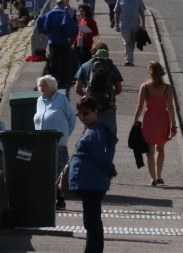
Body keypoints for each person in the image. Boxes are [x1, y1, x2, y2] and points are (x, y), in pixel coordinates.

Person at [70, 96, 117, 253]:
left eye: (86, 113)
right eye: (79, 114)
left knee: (91, 222)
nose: (82, 116)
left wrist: (111, 170)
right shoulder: (94, 130)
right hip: (91, 182)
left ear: (95, 112)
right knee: (94, 221)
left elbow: (101, 156)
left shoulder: (94, 132)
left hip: (92, 183)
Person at [34, 75, 76, 210]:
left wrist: (64, 135)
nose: (41, 88)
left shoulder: (61, 99)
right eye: (40, 85)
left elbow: (71, 119)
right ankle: (47, 198)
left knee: (59, 171)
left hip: (58, 142)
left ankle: (61, 199)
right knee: (44, 171)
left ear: (51, 86)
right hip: (42, 142)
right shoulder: (39, 100)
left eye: (43, 85)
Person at [133, 61, 176, 186]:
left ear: (149, 73)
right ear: (162, 73)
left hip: (149, 121)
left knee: (150, 151)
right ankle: (159, 176)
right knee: (160, 149)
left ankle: (152, 178)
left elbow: (140, 106)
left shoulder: (145, 87)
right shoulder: (167, 88)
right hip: (163, 120)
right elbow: (171, 107)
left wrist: (135, 121)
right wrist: (173, 124)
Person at [74, 43, 124, 136]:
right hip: (108, 104)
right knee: (110, 133)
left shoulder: (85, 66)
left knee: (90, 131)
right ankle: (109, 149)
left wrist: (86, 96)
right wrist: (110, 94)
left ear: (93, 52)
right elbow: (119, 89)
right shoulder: (111, 66)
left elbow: (77, 88)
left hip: (91, 105)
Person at [39, 0, 78, 89]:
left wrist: (45, 32)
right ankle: (64, 81)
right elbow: (70, 26)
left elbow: (40, 21)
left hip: (52, 41)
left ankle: (53, 79)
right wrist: (69, 34)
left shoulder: (50, 13)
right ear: (63, 4)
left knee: (53, 61)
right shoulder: (63, 14)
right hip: (62, 41)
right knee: (64, 61)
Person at [113, 0, 146, 66]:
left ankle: (130, 59)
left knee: (132, 42)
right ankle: (128, 60)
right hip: (124, 25)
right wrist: (116, 25)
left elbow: (142, 12)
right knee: (127, 42)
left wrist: (143, 24)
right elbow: (116, 13)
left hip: (135, 25)